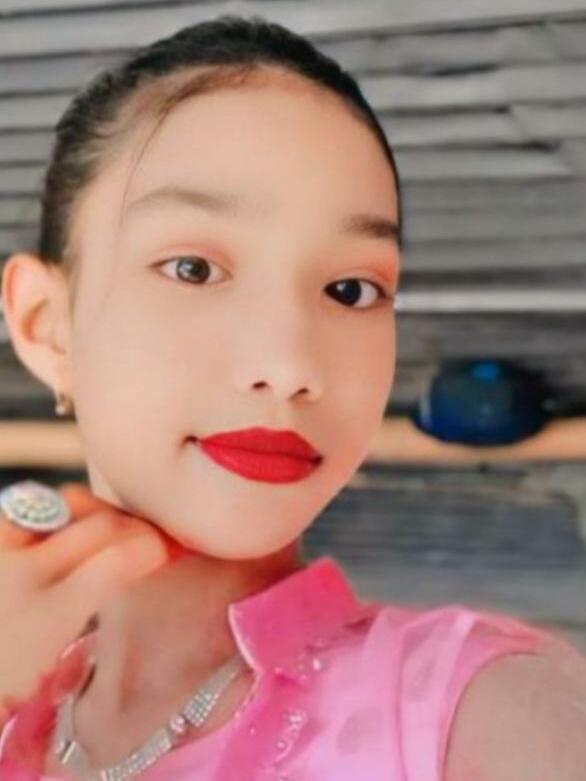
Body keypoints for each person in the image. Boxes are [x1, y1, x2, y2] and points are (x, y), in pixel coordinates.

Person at [0, 13, 585, 781]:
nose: (289, 365)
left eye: (351, 288)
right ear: (46, 324)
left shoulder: (480, 711)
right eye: (193, 269)